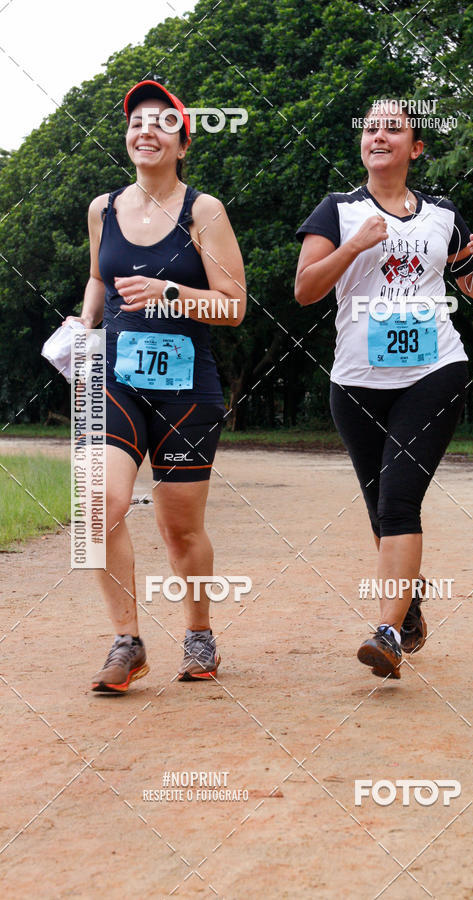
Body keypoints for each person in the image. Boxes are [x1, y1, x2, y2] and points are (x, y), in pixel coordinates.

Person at [294, 98, 473, 679]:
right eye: (371, 128)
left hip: (433, 373)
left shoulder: (441, 215)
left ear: (415, 148)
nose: (379, 136)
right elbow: (305, 289)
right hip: (355, 382)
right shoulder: (335, 210)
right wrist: (355, 245)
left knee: (398, 502)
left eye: (394, 128)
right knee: (381, 511)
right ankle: (407, 606)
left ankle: (386, 632)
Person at [63, 80, 246, 692]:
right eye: (137, 122)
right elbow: (97, 277)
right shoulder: (103, 208)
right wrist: (84, 319)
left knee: (180, 529)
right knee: (98, 507)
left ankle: (199, 633)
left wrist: (173, 293)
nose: (146, 130)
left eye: (162, 123)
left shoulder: (204, 211)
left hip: (187, 387)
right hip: (114, 380)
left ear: (182, 143)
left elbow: (235, 307)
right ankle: (127, 642)